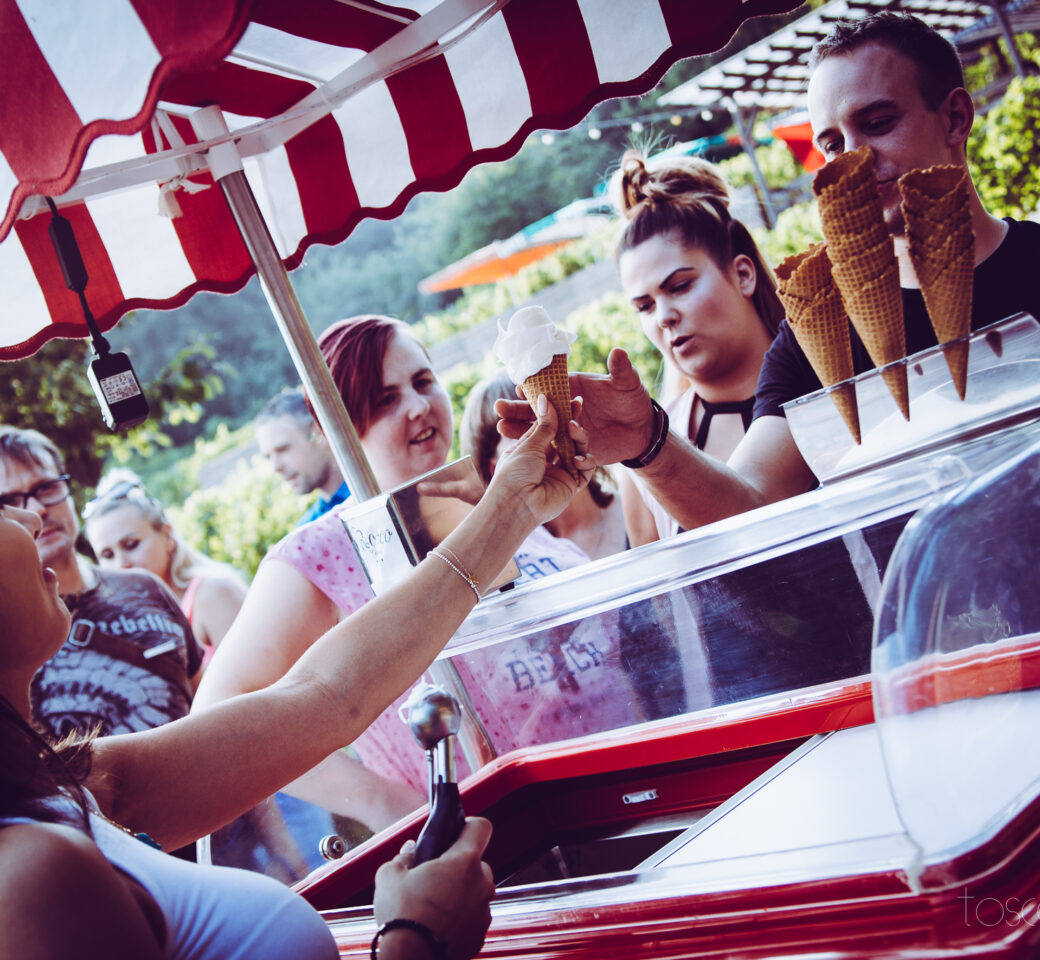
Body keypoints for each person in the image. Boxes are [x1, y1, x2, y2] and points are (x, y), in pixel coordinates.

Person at [0, 395, 589, 959]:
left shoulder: (66, 788)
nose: (29, 517)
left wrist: (511, 507)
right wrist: (417, 938)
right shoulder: (29, 879)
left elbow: (327, 695)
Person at [497, 12, 1040, 537]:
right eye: (830, 144)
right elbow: (753, 502)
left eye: (877, 124)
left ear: (956, 118)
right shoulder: (814, 334)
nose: (852, 159)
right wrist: (648, 440)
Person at [194, 316, 644, 835]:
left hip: (630, 791)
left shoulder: (497, 491)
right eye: (384, 400)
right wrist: (378, 799)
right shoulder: (320, 551)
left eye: (423, 381)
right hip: (512, 844)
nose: (417, 405)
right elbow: (219, 714)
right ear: (331, 429)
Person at [608, 149, 783, 544]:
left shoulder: (829, 380)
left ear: (742, 274)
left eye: (680, 286)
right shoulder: (643, 458)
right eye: (645, 305)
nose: (663, 316)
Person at [0, 426, 203, 741]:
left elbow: (207, 694)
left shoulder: (146, 587)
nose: (37, 510)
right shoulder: (10, 643)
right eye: (10, 501)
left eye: (46, 488)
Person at [84, 469, 247, 665]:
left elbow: (261, 684)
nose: (121, 564)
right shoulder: (126, 626)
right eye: (107, 555)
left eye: (131, 545)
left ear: (167, 536)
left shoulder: (213, 594)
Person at [460, 370, 627, 560]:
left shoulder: (634, 504)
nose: (546, 429)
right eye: (522, 427)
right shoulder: (518, 562)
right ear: (495, 469)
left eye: (550, 413)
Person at [255, 388, 348, 524]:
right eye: (268, 457)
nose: (276, 467)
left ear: (318, 434)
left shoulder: (378, 488)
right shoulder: (307, 529)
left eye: (282, 449)